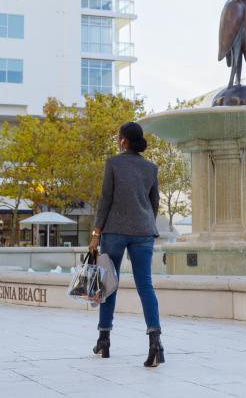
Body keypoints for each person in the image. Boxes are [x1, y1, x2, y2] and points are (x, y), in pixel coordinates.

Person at [89, 121, 164, 367]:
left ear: (123, 141)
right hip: (144, 231)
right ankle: (155, 341)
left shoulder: (113, 164)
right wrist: (144, 223)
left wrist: (96, 232)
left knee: (109, 284)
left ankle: (104, 338)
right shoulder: (151, 168)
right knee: (146, 285)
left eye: (118, 137)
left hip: (114, 231)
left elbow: (105, 200)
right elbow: (154, 204)